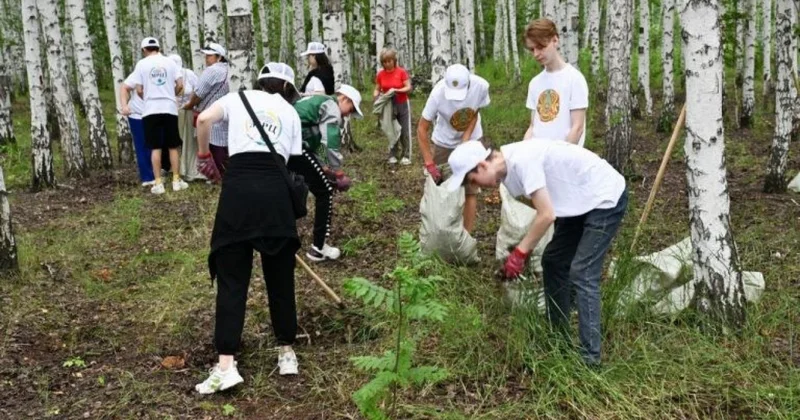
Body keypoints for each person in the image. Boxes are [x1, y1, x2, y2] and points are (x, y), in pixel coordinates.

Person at [445, 140, 628, 366]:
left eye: (473, 181)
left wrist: (520, 253)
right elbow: (548, 206)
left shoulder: (522, 161)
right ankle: (559, 340)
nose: (479, 188)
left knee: (583, 272)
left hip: (604, 197)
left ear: (482, 166)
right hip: (578, 203)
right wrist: (525, 247)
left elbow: (547, 215)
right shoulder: (508, 176)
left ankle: (591, 361)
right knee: (553, 261)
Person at [193, 62, 304, 394]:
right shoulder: (290, 112)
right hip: (275, 196)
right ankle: (287, 353)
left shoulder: (237, 99)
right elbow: (293, 164)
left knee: (232, 279)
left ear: (260, 82)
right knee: (280, 277)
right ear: (287, 88)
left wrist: (204, 156)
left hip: (237, 192)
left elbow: (202, 119)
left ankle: (226, 364)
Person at [289, 85, 362, 262]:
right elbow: (330, 140)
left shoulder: (316, 101)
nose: (347, 115)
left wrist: (323, 166)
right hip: (296, 148)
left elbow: (317, 141)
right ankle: (318, 247)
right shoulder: (331, 106)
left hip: (286, 145)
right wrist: (337, 171)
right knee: (325, 192)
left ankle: (284, 238)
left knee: (290, 190)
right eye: (350, 109)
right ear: (344, 99)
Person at [417, 63, 491, 233]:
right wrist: (429, 163)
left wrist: (466, 139)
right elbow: (422, 128)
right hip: (444, 142)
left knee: (470, 190)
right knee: (442, 190)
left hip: (471, 140)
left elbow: (475, 111)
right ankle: (442, 232)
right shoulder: (437, 93)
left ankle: (465, 237)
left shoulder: (481, 86)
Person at [122, 37, 187, 194]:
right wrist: (170, 94)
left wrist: (150, 96)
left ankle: (158, 183)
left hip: (150, 109)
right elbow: (180, 85)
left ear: (144, 50)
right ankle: (176, 180)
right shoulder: (170, 63)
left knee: (155, 147)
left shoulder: (142, 64)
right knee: (172, 146)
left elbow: (138, 89)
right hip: (170, 108)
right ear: (159, 48)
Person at [522, 18, 589, 147]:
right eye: (532, 49)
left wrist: (560, 160)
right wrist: (523, 153)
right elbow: (533, 127)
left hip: (565, 160)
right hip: (538, 158)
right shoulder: (535, 83)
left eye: (541, 47)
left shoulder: (575, 79)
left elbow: (577, 128)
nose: (536, 54)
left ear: (555, 40)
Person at [182, 42, 230, 177]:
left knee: (214, 143)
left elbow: (199, 93)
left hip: (211, 111)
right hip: (227, 111)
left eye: (209, 56)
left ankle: (219, 174)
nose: (206, 59)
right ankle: (226, 172)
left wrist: (190, 105)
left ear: (219, 57)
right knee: (225, 143)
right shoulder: (230, 69)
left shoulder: (213, 70)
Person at [373, 48, 413, 165]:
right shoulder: (380, 74)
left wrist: (397, 90)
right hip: (388, 105)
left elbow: (408, 87)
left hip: (402, 103)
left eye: (389, 61)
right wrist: (376, 97)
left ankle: (406, 155)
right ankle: (392, 154)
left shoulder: (401, 72)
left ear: (394, 60)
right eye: (384, 62)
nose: (387, 64)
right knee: (391, 128)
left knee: (404, 129)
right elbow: (377, 89)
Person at [169, 54, 204, 181]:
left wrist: (192, 104)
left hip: (188, 110)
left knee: (188, 140)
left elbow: (198, 90)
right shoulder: (167, 75)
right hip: (171, 111)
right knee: (175, 140)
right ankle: (174, 167)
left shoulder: (189, 74)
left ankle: (189, 168)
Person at [119, 71, 154, 187]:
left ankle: (157, 172)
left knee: (156, 144)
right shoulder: (141, 69)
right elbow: (125, 87)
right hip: (138, 114)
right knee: (142, 145)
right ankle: (147, 177)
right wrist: (124, 106)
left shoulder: (165, 69)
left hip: (157, 113)